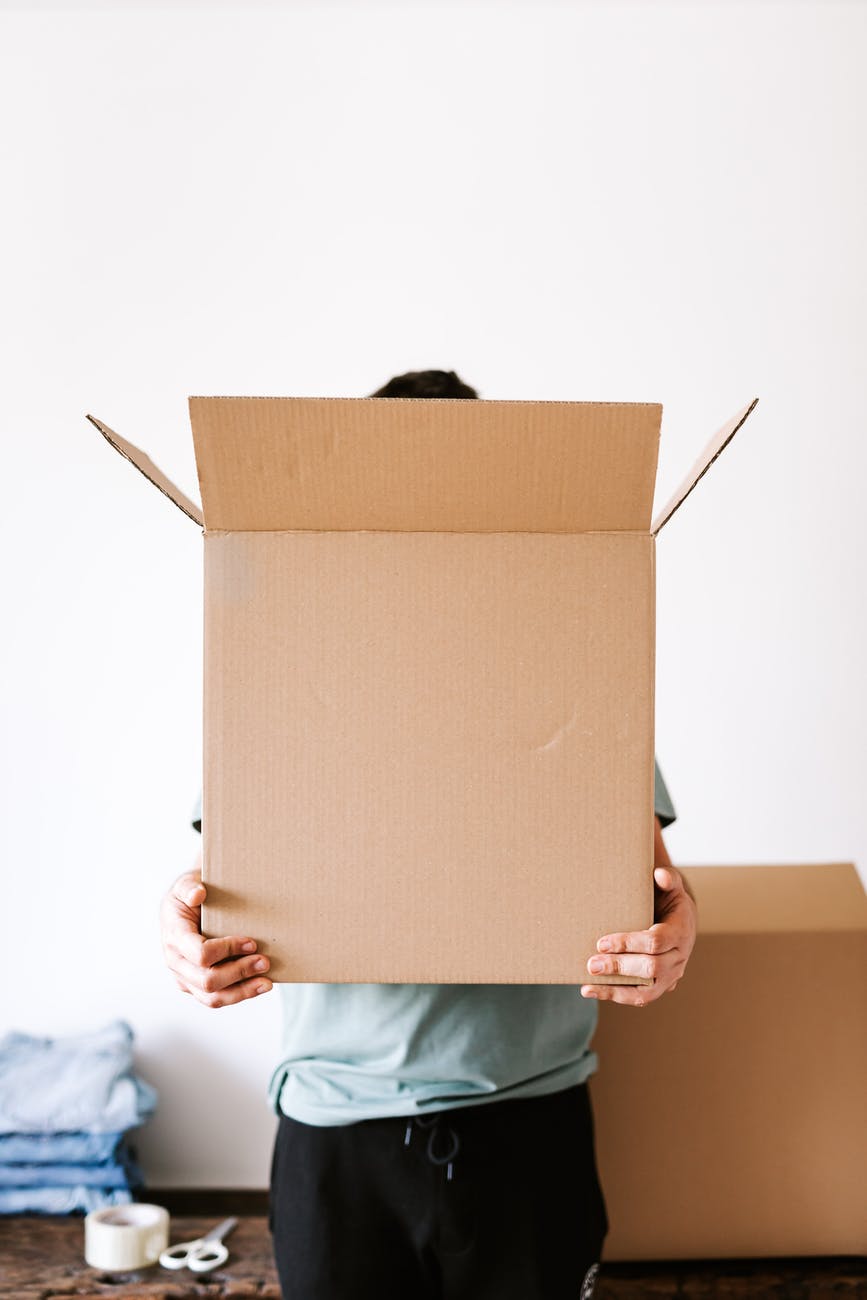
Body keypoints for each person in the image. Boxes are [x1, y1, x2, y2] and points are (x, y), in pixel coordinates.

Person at [160, 370, 698, 1300]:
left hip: (529, 1125)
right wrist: (185, 942)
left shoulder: (579, 695)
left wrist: (677, 936)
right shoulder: (281, 695)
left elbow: (657, 893)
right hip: (337, 1138)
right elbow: (214, 888)